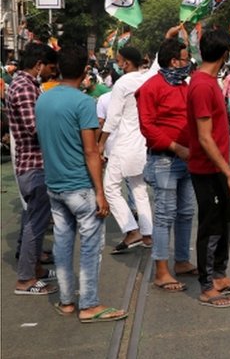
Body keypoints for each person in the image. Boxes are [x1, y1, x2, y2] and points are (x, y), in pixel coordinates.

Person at [36, 44, 127, 322]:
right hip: (80, 186)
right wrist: (101, 192)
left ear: (59, 68)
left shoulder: (43, 100)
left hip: (54, 185)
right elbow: (91, 151)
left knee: (62, 243)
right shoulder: (83, 103)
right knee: (90, 246)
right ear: (85, 70)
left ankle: (66, 301)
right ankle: (88, 304)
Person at [186, 29, 230, 308]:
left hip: (217, 170)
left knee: (227, 221)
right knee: (211, 227)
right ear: (225, 55)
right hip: (207, 170)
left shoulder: (210, 82)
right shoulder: (201, 85)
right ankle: (207, 285)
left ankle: (220, 275)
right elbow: (204, 136)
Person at [136, 36, 198, 292]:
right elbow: (147, 127)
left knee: (186, 213)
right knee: (164, 216)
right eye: (185, 59)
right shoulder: (151, 87)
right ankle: (161, 270)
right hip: (164, 160)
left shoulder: (185, 85)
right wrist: (176, 147)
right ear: (174, 61)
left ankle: (181, 260)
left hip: (187, 160)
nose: (188, 64)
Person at [7, 43, 58, 296]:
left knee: (33, 219)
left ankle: (35, 268)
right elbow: (34, 127)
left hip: (33, 164)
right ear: (39, 63)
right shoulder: (25, 86)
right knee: (36, 223)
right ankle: (25, 279)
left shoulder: (23, 84)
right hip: (34, 164)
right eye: (47, 66)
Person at [99, 45, 155, 253]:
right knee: (139, 189)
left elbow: (112, 118)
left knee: (110, 188)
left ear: (127, 63)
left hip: (124, 142)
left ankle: (132, 230)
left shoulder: (122, 83)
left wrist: (101, 142)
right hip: (143, 142)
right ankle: (147, 233)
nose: (117, 63)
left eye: (119, 60)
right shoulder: (147, 77)